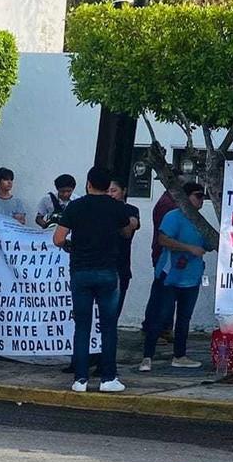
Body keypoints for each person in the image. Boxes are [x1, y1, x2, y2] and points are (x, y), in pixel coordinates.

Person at [53, 166, 137, 392]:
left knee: (82, 326)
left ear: (88, 184)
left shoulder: (75, 206)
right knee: (108, 327)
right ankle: (108, 378)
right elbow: (127, 231)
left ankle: (80, 379)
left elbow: (59, 238)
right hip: (108, 271)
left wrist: (74, 247)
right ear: (107, 185)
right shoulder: (116, 207)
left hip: (80, 271)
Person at [141, 183, 214, 371]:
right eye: (198, 196)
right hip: (170, 275)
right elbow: (163, 239)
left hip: (192, 276)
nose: (201, 200)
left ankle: (179, 354)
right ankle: (147, 356)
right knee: (160, 315)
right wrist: (189, 248)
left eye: (202, 197)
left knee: (184, 317)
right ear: (186, 197)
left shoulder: (200, 221)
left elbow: (209, 242)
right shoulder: (173, 216)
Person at [141, 184, 180, 346]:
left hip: (166, 255)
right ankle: (156, 328)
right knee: (163, 294)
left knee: (163, 293)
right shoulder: (168, 204)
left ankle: (160, 328)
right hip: (165, 256)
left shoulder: (169, 201)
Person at [108, 178, 142, 316]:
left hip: (121, 265)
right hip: (101, 264)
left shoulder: (130, 210)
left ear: (124, 191)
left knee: (115, 309)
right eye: (107, 191)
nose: (110, 194)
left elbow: (131, 227)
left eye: (114, 190)